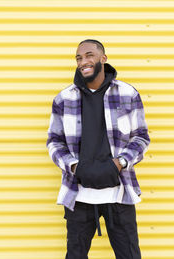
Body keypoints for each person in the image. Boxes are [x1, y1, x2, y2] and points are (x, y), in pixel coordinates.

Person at [46, 39, 150, 259]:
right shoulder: (63, 99)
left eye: (89, 55)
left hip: (119, 194)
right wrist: (74, 166)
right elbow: (54, 141)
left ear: (103, 59)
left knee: (130, 255)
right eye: (79, 58)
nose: (83, 61)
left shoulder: (128, 94)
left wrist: (120, 162)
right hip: (78, 195)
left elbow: (141, 138)